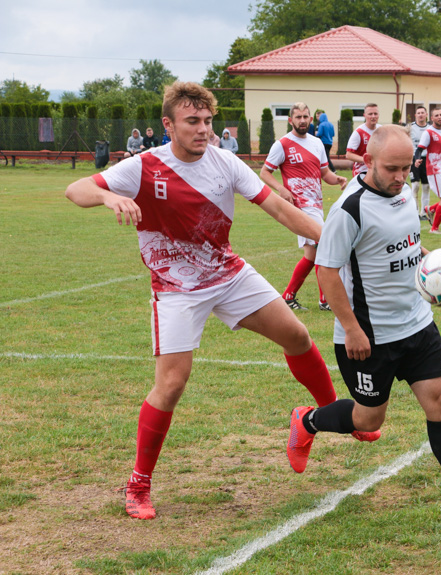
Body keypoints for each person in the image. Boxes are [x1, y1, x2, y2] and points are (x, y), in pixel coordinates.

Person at [64, 81, 348, 521]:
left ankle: (329, 415)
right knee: (172, 384)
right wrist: (108, 195)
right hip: (176, 288)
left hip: (227, 273)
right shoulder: (144, 166)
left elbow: (279, 209)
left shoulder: (225, 162)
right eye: (192, 121)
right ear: (169, 124)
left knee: (296, 334)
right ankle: (138, 485)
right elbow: (76, 189)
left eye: (207, 121)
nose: (202, 130)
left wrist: (336, 240)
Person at [287, 125, 441, 521]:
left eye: (406, 168)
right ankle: (307, 420)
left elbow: (409, 240)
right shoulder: (349, 209)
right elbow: (326, 271)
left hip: (417, 324)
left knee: (440, 402)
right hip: (370, 336)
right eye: (391, 168)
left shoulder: (404, 192)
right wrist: (352, 328)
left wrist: (435, 266)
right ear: (368, 161)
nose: (399, 177)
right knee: (368, 419)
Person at [260, 102, 348, 312]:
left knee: (312, 255)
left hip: (316, 205)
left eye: (305, 117)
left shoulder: (317, 143)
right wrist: (281, 189)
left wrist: (337, 179)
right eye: (298, 117)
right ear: (290, 120)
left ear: (311, 119)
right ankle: (325, 300)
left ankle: (288, 296)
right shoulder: (282, 144)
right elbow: (264, 172)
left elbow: (324, 173)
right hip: (300, 207)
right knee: (324, 247)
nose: (302, 120)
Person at [408, 106, 432, 220]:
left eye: (423, 112)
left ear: (426, 114)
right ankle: (414, 212)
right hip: (413, 159)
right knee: (415, 185)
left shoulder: (430, 128)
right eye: (418, 113)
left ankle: (424, 212)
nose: (421, 115)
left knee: (426, 186)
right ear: (415, 115)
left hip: (427, 159)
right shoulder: (410, 127)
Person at [345, 103, 379, 177]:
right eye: (370, 114)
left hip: (378, 172)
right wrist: (367, 160)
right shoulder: (359, 132)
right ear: (365, 115)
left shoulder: (381, 130)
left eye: (375, 114)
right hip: (361, 173)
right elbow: (348, 155)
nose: (373, 116)